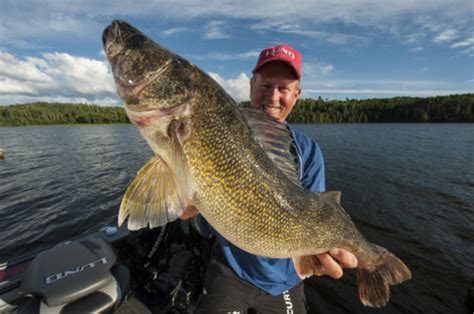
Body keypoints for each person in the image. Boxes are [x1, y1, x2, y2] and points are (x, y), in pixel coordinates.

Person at [182, 44, 358, 313]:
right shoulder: (214, 135)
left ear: (296, 95)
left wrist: (319, 255)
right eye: (265, 85)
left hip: (285, 280)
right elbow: (187, 211)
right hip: (232, 268)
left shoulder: (308, 152)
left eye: (283, 88)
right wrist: (181, 201)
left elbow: (318, 213)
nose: (273, 96)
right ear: (251, 85)